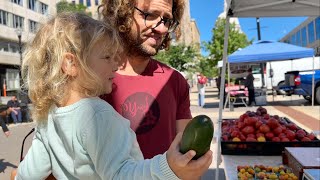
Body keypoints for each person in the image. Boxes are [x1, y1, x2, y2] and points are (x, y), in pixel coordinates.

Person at [12, 12, 212, 180]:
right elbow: (121, 174)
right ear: (71, 64)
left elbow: (28, 174)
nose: (116, 65)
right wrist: (168, 166)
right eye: (107, 57)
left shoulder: (50, 117)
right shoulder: (98, 115)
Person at [99, 0, 194, 159]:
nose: (162, 28)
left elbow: (186, 154)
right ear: (122, 14)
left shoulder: (175, 81)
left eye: (167, 20)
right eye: (150, 15)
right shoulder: (91, 78)